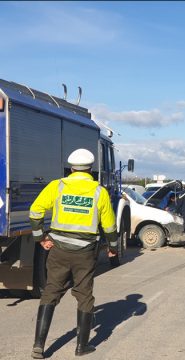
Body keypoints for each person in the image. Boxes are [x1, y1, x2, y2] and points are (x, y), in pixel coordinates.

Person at [29, 148, 118, 359]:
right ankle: (82, 347)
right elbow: (110, 226)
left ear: (71, 168)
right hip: (85, 252)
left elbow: (35, 211)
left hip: (58, 249)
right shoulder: (99, 191)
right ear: (91, 169)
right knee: (84, 295)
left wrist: (40, 238)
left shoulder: (57, 186)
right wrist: (113, 247)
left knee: (51, 291)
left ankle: (39, 345)